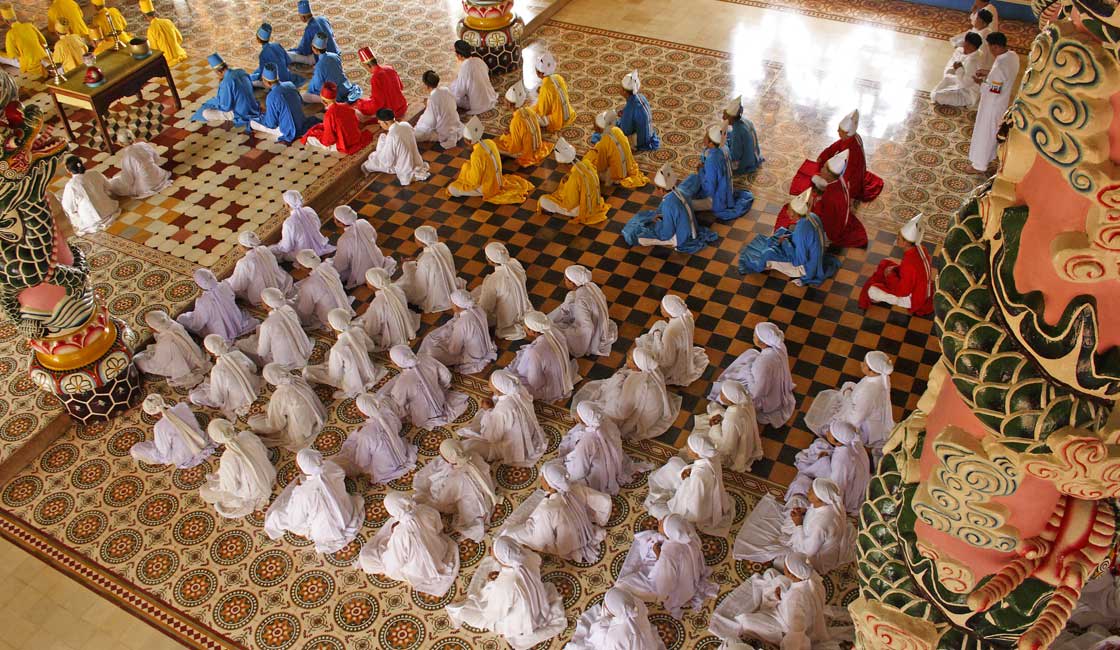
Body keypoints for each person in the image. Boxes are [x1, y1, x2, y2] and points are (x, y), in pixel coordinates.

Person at [446, 536, 567, 650]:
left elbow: (494, 614)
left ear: (503, 559)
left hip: (522, 619)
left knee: (467, 610)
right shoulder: (529, 556)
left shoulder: (505, 585)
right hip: (538, 601)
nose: (492, 552)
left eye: (494, 553)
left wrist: (490, 590)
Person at [733, 477, 856, 576]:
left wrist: (798, 524)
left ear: (820, 498)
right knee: (796, 500)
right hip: (810, 535)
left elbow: (808, 551)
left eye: (812, 490)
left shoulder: (821, 525)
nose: (808, 490)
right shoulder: (830, 505)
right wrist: (805, 511)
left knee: (781, 563)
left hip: (816, 556)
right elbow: (814, 511)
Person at [708, 552, 829, 649]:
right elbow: (797, 601)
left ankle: (772, 637)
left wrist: (785, 645)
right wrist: (781, 597)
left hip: (782, 624)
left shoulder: (796, 600)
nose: (784, 569)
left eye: (786, 569)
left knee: (745, 620)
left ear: (793, 575)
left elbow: (795, 631)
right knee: (772, 574)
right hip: (789, 608)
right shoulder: (812, 581)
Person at [502, 459, 611, 563]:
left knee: (509, 533)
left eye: (543, 478)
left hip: (566, 543)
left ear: (550, 485)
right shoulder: (570, 489)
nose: (540, 479)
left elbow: (543, 539)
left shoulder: (547, 510)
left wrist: (529, 524)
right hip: (580, 532)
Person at [614, 514, 718, 619]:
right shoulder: (688, 536)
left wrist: (658, 553)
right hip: (690, 580)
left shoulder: (669, 551)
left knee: (621, 585)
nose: (659, 520)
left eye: (662, 522)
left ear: (668, 532)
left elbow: (662, 584)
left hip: (674, 590)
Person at [359, 491, 460, 596]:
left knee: (367, 558)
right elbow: (438, 527)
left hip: (421, 571)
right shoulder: (425, 509)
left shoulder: (400, 535)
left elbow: (395, 563)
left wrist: (386, 565)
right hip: (440, 550)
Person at [264, 448, 364, 554]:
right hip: (347, 514)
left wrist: (296, 499)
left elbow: (296, 521)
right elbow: (339, 475)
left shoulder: (302, 493)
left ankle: (281, 530)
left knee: (278, 515)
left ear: (301, 470)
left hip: (327, 533)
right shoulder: (330, 467)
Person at [570, 348, 680, 441]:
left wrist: (617, 382)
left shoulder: (638, 382)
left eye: (630, 359)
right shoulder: (651, 372)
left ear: (638, 365)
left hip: (639, 419)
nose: (627, 361)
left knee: (600, 400)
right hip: (650, 413)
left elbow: (620, 411)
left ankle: (587, 418)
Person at [805, 350, 894, 462]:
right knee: (848, 387)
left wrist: (847, 396)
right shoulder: (880, 378)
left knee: (831, 424)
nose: (861, 364)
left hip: (864, 420)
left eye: (864, 364)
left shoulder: (868, 392)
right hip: (869, 411)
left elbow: (855, 418)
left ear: (871, 371)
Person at [738, 187, 838, 287]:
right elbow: (806, 239)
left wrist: (785, 243)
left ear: (796, 215)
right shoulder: (812, 216)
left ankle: (763, 265)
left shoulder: (801, 231)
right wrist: (788, 237)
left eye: (790, 210)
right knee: (782, 231)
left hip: (806, 268)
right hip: (815, 257)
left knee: (768, 253)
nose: (787, 211)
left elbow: (799, 261)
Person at [645, 432, 735, 535]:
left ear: (696, 454)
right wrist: (689, 470)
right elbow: (703, 469)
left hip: (694, 509)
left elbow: (695, 508)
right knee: (675, 463)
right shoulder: (712, 458)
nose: (686, 447)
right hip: (700, 490)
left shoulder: (698, 477)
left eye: (688, 447)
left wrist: (686, 483)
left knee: (654, 508)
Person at [709, 322, 796, 429]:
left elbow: (757, 392)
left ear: (762, 343)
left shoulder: (762, 363)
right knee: (751, 354)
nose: (753, 336)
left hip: (765, 396)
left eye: (754, 335)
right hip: (775, 384)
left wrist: (748, 372)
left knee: (733, 379)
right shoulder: (779, 348)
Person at [779, 148, 867, 249]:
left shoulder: (829, 197)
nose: (821, 169)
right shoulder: (841, 180)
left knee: (794, 228)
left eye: (824, 168)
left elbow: (823, 222)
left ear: (830, 175)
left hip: (829, 232)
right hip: (840, 221)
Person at [459, 369, 548, 468]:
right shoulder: (519, 389)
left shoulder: (502, 410)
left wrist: (488, 411)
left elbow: (492, 437)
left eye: (490, 382)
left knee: (469, 444)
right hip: (529, 434)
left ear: (498, 390)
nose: (488, 382)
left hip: (513, 446)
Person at [413, 438, 497, 541]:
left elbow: (443, 500)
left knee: (427, 499)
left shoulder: (455, 479)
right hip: (483, 494)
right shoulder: (473, 456)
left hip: (473, 505)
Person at [622, 163, 717, 253]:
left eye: (657, 188)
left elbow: (666, 234)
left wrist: (658, 223)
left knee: (637, 236)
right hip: (690, 229)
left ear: (661, 190)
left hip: (679, 237)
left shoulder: (668, 205)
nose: (656, 191)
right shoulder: (679, 191)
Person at [559, 401, 647, 495]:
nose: (575, 414)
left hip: (599, 475)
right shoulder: (606, 421)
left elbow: (580, 471)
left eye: (577, 413)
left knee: (566, 476)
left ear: (582, 420)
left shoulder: (587, 442)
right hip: (614, 462)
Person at [787, 421, 871, 515]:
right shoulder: (853, 442)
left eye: (830, 432)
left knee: (801, 482)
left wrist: (824, 463)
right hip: (855, 480)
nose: (827, 432)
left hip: (848, 493)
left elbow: (835, 488)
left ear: (838, 442)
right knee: (819, 445)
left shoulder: (840, 461)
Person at [860, 213, 935, 315]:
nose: (896, 240)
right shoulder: (922, 248)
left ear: (906, 243)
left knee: (872, 291)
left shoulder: (909, 265)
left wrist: (890, 275)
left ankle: (879, 298)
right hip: (924, 290)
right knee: (887, 264)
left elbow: (902, 292)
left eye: (899, 238)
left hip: (915, 299)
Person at [199, 418, 276, 519]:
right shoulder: (246, 435)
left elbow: (232, 487)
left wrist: (220, 482)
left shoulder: (227, 459)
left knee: (204, 491)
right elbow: (264, 452)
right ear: (230, 426)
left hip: (256, 490)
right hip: (270, 473)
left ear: (216, 439)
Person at [379, 345, 469, 428]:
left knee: (390, 401)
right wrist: (441, 387)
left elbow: (399, 403)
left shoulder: (402, 383)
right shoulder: (425, 358)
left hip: (424, 415)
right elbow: (446, 375)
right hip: (441, 399)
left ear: (397, 363)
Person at [448, 116, 534, 204]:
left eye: (465, 140)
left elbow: (475, 181)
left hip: (488, 187)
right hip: (498, 180)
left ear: (469, 142)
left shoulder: (476, 155)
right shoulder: (489, 142)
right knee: (466, 167)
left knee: (452, 189)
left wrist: (465, 175)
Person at [303, 308, 385, 399]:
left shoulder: (337, 349)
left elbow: (335, 375)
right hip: (369, 369)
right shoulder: (358, 331)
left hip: (352, 382)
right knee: (329, 355)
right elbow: (370, 347)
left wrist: (327, 366)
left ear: (332, 325)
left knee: (307, 371)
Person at [336, 392, 415, 483]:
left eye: (357, 409)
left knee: (349, 457)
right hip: (402, 452)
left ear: (363, 413)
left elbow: (363, 461)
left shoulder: (365, 433)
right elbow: (397, 427)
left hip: (385, 469)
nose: (356, 411)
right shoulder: (387, 415)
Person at [969, 32, 1019, 173]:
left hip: (991, 106)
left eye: (990, 47)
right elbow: (1003, 76)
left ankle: (979, 165)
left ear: (996, 47)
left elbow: (994, 90)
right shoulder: (1012, 56)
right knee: (992, 132)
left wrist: (981, 83)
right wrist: (988, 73)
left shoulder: (999, 69)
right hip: (1002, 103)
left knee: (985, 133)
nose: (990, 50)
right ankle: (990, 157)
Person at [682, 124, 753, 221]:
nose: (704, 137)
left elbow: (709, 189)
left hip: (716, 200)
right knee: (692, 182)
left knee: (683, 204)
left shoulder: (711, 160)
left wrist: (701, 171)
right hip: (726, 193)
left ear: (711, 143)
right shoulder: (724, 148)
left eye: (706, 136)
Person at [248, 363, 327, 450]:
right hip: (316, 415)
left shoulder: (279, 396)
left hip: (303, 431)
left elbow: (277, 424)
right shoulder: (296, 378)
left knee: (253, 421)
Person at [636, 294, 709, 387]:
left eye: (662, 308)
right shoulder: (687, 315)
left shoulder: (670, 333)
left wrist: (657, 337)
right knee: (659, 324)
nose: (661, 309)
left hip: (674, 362)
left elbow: (667, 361)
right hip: (684, 351)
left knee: (649, 338)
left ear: (670, 313)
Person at [508, 311, 581, 403]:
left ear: (533, 331)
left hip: (552, 386)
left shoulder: (535, 352)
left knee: (514, 388)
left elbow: (536, 383)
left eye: (525, 327)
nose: (523, 328)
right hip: (562, 374)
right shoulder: (554, 331)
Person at [814, 108, 884, 204]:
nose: (837, 131)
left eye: (840, 130)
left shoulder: (853, 149)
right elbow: (835, 146)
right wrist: (823, 155)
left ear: (847, 133)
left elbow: (848, 172)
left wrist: (836, 185)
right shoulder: (850, 138)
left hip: (852, 179)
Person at [418, 290, 497, 374]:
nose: (451, 305)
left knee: (432, 352)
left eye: (452, 303)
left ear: (457, 306)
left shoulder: (461, 324)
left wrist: (446, 341)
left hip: (473, 356)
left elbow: (454, 351)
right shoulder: (477, 308)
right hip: (484, 347)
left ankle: (461, 359)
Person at [693, 380, 762, 473]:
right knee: (714, 409)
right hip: (747, 440)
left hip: (736, 450)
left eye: (723, 393)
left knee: (699, 442)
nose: (720, 394)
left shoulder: (731, 419)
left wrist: (715, 427)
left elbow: (727, 447)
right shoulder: (745, 401)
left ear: (730, 399)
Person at [548, 264, 617, 358]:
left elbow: (587, 328)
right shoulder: (591, 286)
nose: (564, 281)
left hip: (590, 331)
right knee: (568, 301)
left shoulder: (580, 301)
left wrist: (578, 342)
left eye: (566, 279)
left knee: (553, 330)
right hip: (598, 321)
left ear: (573, 283)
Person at [131, 394, 215, 468]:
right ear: (165, 401)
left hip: (185, 456)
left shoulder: (159, 427)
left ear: (154, 415)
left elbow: (164, 452)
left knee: (137, 449)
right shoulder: (182, 406)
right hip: (201, 439)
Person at [568, 587, 667, 650]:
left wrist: (603, 623)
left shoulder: (612, 636)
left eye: (606, 605)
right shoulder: (637, 605)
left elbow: (601, 642)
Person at [238, 288, 313, 370]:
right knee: (260, 329)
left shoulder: (267, 324)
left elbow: (262, 352)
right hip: (304, 350)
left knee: (241, 345)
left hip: (285, 362)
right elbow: (298, 323)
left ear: (266, 305)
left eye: (262, 300)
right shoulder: (288, 309)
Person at [189, 335, 262, 419]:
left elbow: (218, 398)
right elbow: (254, 368)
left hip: (238, 401)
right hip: (254, 386)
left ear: (210, 352)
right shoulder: (237, 353)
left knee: (194, 397)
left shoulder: (217, 370)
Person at [539, 138, 609, 225]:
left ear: (562, 163)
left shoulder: (574, 178)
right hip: (596, 205)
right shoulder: (587, 163)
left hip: (583, 210)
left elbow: (571, 204)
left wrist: (561, 196)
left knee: (543, 200)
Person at [176, 268, 259, 341]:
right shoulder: (225, 286)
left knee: (182, 318)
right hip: (236, 320)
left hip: (220, 331)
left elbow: (198, 323)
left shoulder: (202, 302)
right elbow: (232, 297)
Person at [134, 310, 211, 388]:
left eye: (149, 325)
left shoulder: (166, 341)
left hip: (185, 366)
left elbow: (160, 363)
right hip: (195, 355)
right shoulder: (173, 324)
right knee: (156, 338)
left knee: (138, 359)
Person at [397, 225, 465, 313]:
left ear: (422, 241)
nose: (415, 240)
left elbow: (421, 285)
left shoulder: (426, 261)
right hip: (446, 282)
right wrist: (416, 260)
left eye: (416, 239)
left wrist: (410, 265)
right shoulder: (442, 246)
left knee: (407, 269)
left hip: (435, 290)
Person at [472, 242, 532, 341]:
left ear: (490, 261)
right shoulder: (514, 263)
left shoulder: (494, 279)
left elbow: (486, 306)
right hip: (520, 303)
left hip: (507, 313)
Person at [250, 64, 321, 144]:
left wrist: (259, 118)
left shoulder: (271, 97)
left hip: (289, 130)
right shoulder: (290, 85)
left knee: (252, 121)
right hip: (302, 122)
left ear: (267, 83)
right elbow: (300, 103)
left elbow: (271, 124)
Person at [331, 205, 396, 288]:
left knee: (335, 269)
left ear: (340, 223)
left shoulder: (343, 240)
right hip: (378, 259)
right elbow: (374, 236)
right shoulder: (363, 222)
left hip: (362, 272)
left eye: (335, 219)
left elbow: (342, 264)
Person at [360, 108, 430, 184]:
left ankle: (366, 169)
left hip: (405, 167)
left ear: (385, 123)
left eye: (380, 123)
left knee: (369, 163)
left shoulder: (392, 136)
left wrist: (378, 155)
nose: (380, 125)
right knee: (383, 137)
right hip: (417, 161)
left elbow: (388, 161)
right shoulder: (405, 124)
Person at [191, 54, 262, 127]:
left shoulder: (226, 83)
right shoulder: (241, 71)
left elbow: (226, 107)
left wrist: (215, 103)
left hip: (241, 113)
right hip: (254, 107)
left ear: (218, 72)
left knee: (205, 113)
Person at [226, 231, 295, 306]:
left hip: (261, 293)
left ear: (242, 247)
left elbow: (238, 285)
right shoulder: (264, 249)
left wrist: (226, 283)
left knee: (231, 288)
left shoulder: (244, 263)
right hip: (280, 283)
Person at [357, 268, 419, 350]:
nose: (366, 282)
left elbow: (372, 328)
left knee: (361, 329)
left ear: (373, 284)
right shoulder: (396, 288)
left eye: (368, 281)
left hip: (393, 335)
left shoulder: (377, 303)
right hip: (404, 323)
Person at [302, 82, 372, 154]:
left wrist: (318, 135)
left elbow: (329, 140)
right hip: (356, 137)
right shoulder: (346, 106)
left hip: (344, 144)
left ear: (324, 102)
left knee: (310, 138)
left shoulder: (329, 115)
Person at [293, 250, 355, 330]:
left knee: (293, 307)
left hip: (331, 318)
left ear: (304, 267)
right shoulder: (328, 267)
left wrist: (303, 322)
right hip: (343, 308)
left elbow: (306, 310)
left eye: (299, 265)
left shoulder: (308, 285)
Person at [496, 81, 554, 166]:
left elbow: (514, 148)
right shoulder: (529, 110)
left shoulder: (516, 121)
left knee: (498, 143)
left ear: (509, 104)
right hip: (538, 148)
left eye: (505, 101)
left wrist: (506, 137)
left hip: (527, 153)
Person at [61, 155, 120, 236]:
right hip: (109, 209)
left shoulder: (71, 185)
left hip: (92, 220)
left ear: (68, 170)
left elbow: (68, 207)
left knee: (70, 212)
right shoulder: (94, 173)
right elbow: (109, 187)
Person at [587, 114, 650, 189]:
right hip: (628, 166)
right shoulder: (617, 130)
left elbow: (602, 164)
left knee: (592, 162)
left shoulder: (604, 142)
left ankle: (615, 179)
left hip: (617, 174)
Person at [270, 190, 334, 262]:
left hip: (304, 254)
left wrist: (278, 245)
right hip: (320, 243)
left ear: (287, 206)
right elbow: (318, 225)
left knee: (275, 251)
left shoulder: (288, 223)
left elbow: (286, 247)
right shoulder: (309, 210)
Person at [109, 130, 172, 198]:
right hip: (159, 175)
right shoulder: (143, 145)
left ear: (120, 143)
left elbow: (128, 181)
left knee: (115, 184)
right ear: (133, 137)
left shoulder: (127, 157)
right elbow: (157, 159)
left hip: (147, 184)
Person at [608, 70, 660, 151]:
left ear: (625, 92)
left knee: (610, 130)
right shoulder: (640, 96)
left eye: (621, 87)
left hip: (640, 141)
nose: (619, 88)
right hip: (648, 134)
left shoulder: (631, 107)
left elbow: (626, 130)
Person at [303, 34, 362, 104]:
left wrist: (310, 89)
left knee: (305, 96)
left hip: (335, 95)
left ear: (314, 49)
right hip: (346, 87)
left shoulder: (319, 66)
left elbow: (317, 85)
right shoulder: (334, 56)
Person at [933, 32, 985, 107]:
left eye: (965, 43)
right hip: (962, 85)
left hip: (967, 94)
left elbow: (964, 84)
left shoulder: (972, 62)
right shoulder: (977, 53)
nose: (963, 45)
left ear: (968, 45)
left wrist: (959, 69)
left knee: (937, 96)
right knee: (947, 79)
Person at [353, 47, 407, 119]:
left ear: (366, 65)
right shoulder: (389, 68)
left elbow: (377, 103)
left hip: (392, 113)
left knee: (359, 109)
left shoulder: (375, 78)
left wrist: (361, 106)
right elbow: (401, 87)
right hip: (403, 106)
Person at [414, 70, 462, 149]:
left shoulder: (432, 99)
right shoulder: (446, 90)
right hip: (455, 125)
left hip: (444, 133)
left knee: (415, 135)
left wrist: (420, 124)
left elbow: (431, 123)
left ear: (426, 86)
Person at [449, 39, 497, 115]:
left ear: (459, 55)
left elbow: (459, 93)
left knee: (451, 94)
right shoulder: (479, 60)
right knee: (456, 83)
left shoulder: (464, 68)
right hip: (490, 97)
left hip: (478, 104)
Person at [531, 51, 574, 133]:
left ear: (539, 73)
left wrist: (533, 109)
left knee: (531, 114)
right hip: (569, 114)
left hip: (557, 120)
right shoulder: (558, 77)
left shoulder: (546, 87)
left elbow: (543, 110)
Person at [1, 3, 48, 76]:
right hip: (43, 55)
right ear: (16, 17)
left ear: (6, 22)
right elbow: (43, 41)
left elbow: (12, 55)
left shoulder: (10, 34)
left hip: (30, 63)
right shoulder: (29, 25)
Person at [250, 23, 303, 87]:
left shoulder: (262, 55)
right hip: (288, 77)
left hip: (276, 81)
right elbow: (288, 62)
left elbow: (262, 76)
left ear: (258, 39)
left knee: (254, 77)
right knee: (259, 69)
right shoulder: (277, 45)